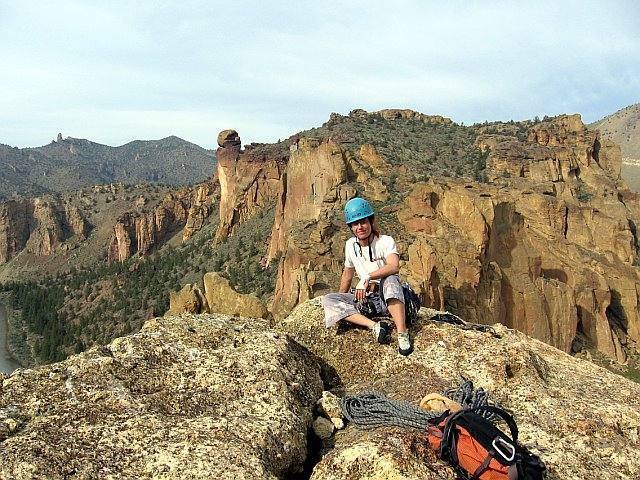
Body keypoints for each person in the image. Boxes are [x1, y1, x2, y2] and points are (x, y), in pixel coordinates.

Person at [322, 197, 413, 356]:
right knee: (329, 299)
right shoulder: (350, 246)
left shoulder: (385, 242)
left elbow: (393, 266)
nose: (360, 227)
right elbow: (347, 275)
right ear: (351, 227)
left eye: (363, 222)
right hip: (367, 301)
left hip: (388, 297)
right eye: (355, 224)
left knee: (391, 279)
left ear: (371, 221)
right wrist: (342, 298)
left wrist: (367, 278)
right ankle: (376, 327)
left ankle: (402, 333)